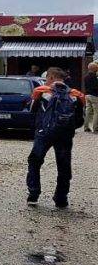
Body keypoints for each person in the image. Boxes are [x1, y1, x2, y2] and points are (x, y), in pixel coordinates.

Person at [26, 67, 85, 208]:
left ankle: (33, 195)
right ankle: (61, 199)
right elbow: (80, 120)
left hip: (44, 133)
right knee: (64, 166)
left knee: (35, 161)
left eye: (47, 77)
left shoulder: (41, 91)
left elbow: (32, 110)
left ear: (51, 77)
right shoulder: (76, 95)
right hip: (65, 135)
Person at [84, 62, 98, 133]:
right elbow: (95, 87)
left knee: (88, 111)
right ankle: (96, 128)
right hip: (94, 96)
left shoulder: (86, 76)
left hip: (87, 95)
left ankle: (86, 127)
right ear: (94, 68)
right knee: (96, 112)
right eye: (97, 67)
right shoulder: (94, 77)